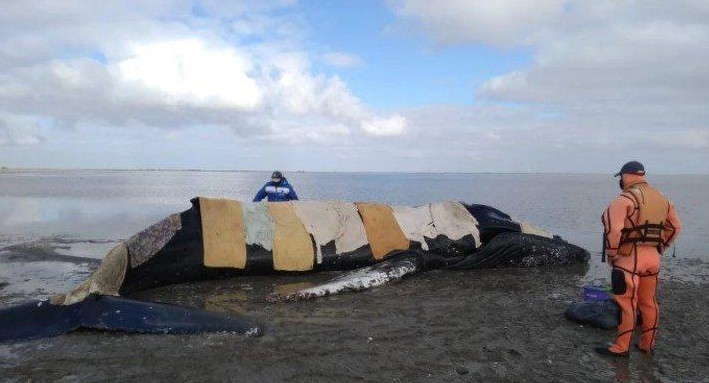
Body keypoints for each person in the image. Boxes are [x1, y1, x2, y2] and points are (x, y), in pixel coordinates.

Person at [595, 161, 681, 357]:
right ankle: (647, 345)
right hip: (653, 259)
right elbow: (675, 228)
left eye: (621, 177)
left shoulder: (623, 200)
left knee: (626, 303)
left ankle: (621, 347)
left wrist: (612, 254)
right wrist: (661, 246)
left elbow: (613, 230)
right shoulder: (664, 200)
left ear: (625, 176)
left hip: (628, 260)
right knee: (649, 303)